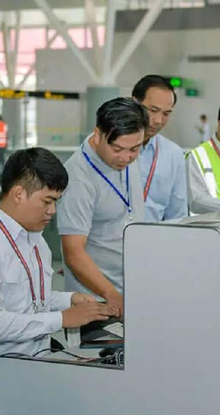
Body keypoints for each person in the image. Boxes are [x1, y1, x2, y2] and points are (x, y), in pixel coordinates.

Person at [0, 148, 116, 413]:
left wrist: (68, 300)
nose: (52, 211)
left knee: (105, 387)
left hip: (34, 358)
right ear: (18, 194)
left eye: (56, 202)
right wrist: (62, 318)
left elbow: (28, 298)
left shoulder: (34, 240)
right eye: (47, 201)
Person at [57, 98, 147, 317]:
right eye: (118, 149)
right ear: (98, 135)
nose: (127, 157)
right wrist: (112, 295)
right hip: (97, 299)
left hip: (134, 287)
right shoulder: (78, 178)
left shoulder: (127, 158)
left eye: (135, 148)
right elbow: (74, 252)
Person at [131, 75, 188, 222]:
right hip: (109, 241)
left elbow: (177, 214)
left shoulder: (173, 154)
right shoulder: (108, 147)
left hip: (155, 240)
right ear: (134, 102)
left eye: (166, 114)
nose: (158, 120)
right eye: (153, 110)